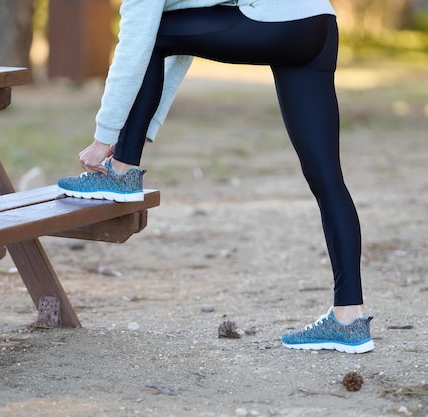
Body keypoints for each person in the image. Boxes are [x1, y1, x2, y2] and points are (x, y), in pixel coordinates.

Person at [57, 0, 374, 354]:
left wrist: (105, 139)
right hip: (317, 22)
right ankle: (349, 318)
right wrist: (144, 128)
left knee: (155, 34)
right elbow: (179, 47)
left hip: (276, 20)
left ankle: (122, 172)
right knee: (327, 178)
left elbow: (138, 45)